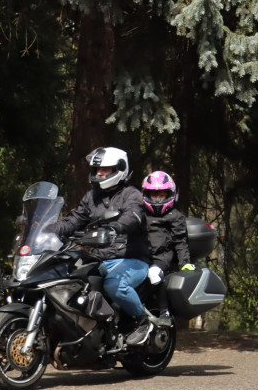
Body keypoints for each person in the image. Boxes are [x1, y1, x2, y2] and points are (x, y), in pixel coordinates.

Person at [48, 147, 151, 349]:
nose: (99, 174)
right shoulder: (91, 197)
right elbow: (74, 220)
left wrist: (116, 227)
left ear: (120, 169)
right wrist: (47, 229)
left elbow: (133, 216)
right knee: (69, 280)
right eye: (97, 170)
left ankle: (142, 321)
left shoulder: (132, 195)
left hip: (131, 259)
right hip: (100, 259)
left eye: (105, 169)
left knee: (114, 285)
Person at [141, 171, 195, 326]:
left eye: (162, 194)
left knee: (154, 273)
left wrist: (184, 263)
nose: (158, 199)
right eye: (153, 195)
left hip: (161, 257)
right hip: (141, 255)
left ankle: (165, 312)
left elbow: (180, 241)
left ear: (170, 194)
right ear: (146, 194)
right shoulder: (140, 214)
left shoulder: (175, 216)